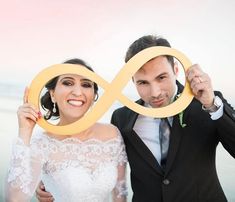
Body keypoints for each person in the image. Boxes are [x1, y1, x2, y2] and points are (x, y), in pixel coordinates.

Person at [36, 35, 235, 202]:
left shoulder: (206, 103)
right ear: (132, 80)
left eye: (161, 78)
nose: (155, 92)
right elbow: (92, 155)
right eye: (143, 82)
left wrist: (211, 104)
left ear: (176, 70)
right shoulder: (122, 118)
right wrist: (50, 180)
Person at [5, 58, 128, 202]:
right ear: (52, 94)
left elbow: (121, 194)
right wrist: (24, 131)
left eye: (86, 84)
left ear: (94, 96)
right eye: (68, 83)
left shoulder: (112, 134)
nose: (77, 92)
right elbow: (14, 199)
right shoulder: (42, 143)